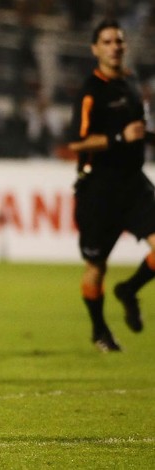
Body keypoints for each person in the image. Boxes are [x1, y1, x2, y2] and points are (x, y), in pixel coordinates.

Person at [68, 19, 155, 352]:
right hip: (100, 189)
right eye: (106, 42)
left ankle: (130, 289)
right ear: (95, 49)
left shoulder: (132, 83)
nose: (114, 47)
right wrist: (120, 137)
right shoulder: (91, 91)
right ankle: (99, 330)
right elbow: (76, 143)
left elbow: (137, 131)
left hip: (134, 184)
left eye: (118, 41)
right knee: (96, 265)